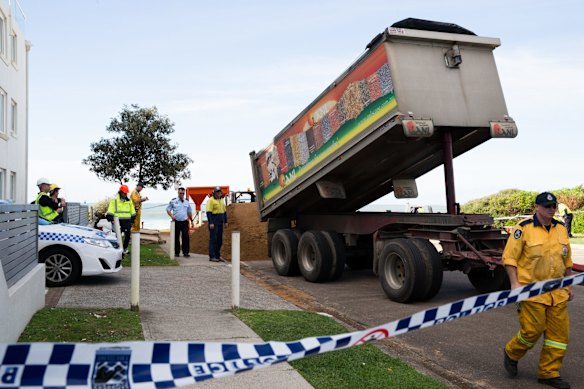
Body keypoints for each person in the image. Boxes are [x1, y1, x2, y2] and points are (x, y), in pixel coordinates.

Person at [503, 192, 573, 389]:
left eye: (554, 206)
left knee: (559, 337)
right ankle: (512, 352)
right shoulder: (523, 229)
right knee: (532, 331)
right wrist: (515, 285)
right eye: (547, 206)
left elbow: (566, 260)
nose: (552, 210)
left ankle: (549, 373)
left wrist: (568, 284)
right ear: (537, 207)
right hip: (531, 291)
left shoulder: (560, 228)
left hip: (557, 293)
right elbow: (510, 259)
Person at [106, 185, 136, 254]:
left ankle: (124, 249)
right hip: (117, 222)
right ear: (120, 192)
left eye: (126, 193)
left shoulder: (129, 201)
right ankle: (117, 249)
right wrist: (111, 219)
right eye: (124, 193)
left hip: (127, 222)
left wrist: (132, 221)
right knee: (116, 236)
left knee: (127, 236)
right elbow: (110, 211)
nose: (125, 194)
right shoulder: (114, 201)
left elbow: (133, 212)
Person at [166, 187, 193, 258]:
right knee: (176, 237)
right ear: (178, 193)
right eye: (180, 193)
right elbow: (168, 209)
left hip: (184, 222)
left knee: (185, 237)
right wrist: (171, 216)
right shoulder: (173, 201)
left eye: (183, 193)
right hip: (176, 221)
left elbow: (189, 212)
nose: (182, 195)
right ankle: (177, 252)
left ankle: (186, 252)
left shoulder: (186, 202)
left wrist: (192, 220)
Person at [206, 186, 228, 262]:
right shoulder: (211, 200)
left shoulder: (222, 200)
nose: (219, 193)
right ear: (214, 193)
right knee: (213, 239)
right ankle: (212, 256)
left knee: (219, 240)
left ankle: (218, 255)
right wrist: (211, 223)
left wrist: (225, 221)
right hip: (214, 223)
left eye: (220, 192)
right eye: (217, 192)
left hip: (220, 222)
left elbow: (224, 212)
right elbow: (208, 212)